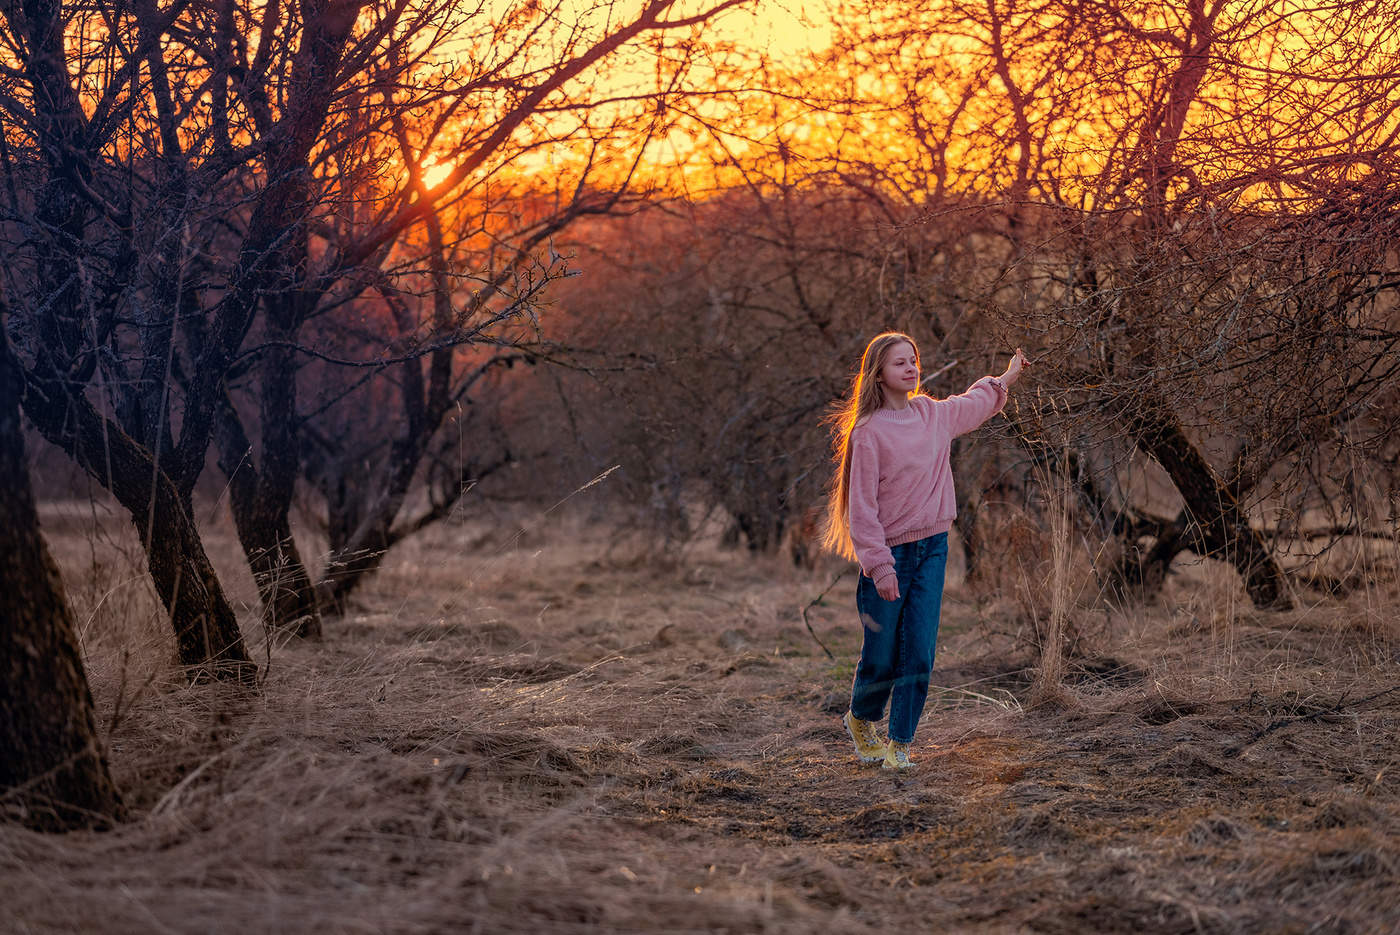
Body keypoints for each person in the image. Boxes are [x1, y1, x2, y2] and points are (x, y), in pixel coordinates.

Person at [821, 332, 1026, 770]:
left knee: (918, 651)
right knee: (880, 655)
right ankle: (861, 718)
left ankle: (900, 743)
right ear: (878, 373)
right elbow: (862, 510)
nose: (911, 368)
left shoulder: (932, 415)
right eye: (900, 363)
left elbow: (973, 403)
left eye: (913, 360)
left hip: (933, 549)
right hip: (889, 556)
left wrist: (1007, 376)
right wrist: (880, 566)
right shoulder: (868, 433)